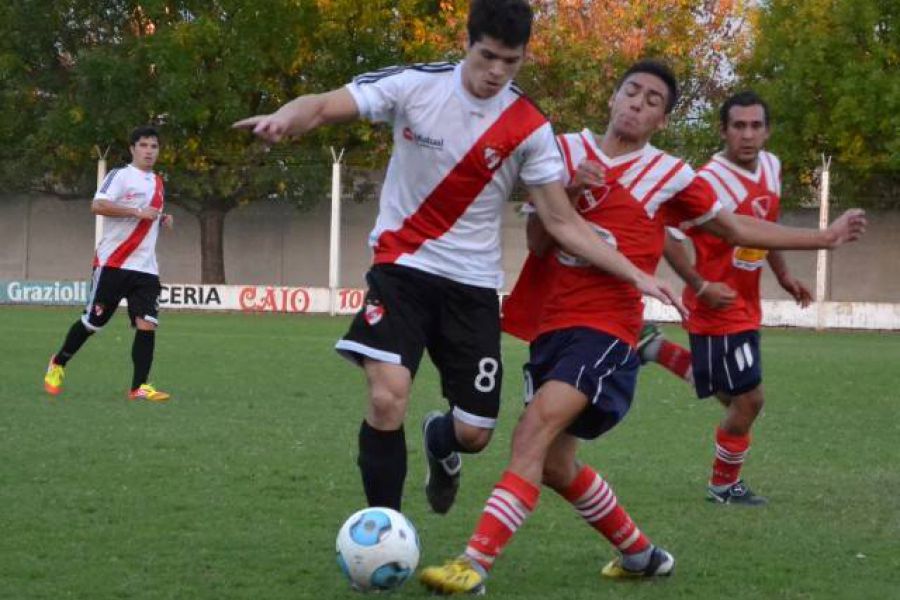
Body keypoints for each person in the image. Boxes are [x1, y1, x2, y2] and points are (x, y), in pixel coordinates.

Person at [418, 64, 866, 594]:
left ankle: (474, 562)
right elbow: (540, 243)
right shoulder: (561, 151)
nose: (637, 103)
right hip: (550, 326)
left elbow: (737, 227)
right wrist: (562, 190)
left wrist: (825, 238)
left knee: (532, 432)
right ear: (612, 96)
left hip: (606, 328)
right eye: (631, 91)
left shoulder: (671, 175)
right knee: (558, 465)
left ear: (662, 118)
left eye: (653, 100)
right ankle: (641, 555)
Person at [233, 0, 681, 514]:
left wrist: (635, 275)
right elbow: (325, 104)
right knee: (387, 396)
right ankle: (384, 528)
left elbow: (560, 222)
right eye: (487, 56)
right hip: (402, 266)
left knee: (475, 432)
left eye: (509, 62)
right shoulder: (414, 85)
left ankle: (441, 442)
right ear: (467, 44)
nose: (496, 72)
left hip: (471, 284)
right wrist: (285, 118)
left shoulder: (529, 126)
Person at [639, 91, 816, 505]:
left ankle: (657, 350)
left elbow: (764, 228)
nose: (748, 134)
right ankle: (723, 486)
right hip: (717, 307)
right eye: (738, 126)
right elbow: (665, 234)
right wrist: (700, 284)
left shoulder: (772, 167)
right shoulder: (706, 181)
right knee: (749, 399)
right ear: (723, 131)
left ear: (767, 130)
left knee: (729, 393)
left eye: (756, 126)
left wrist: (785, 274)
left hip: (746, 304)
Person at [43, 125, 173, 402]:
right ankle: (59, 362)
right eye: (144, 145)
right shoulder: (120, 176)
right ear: (132, 149)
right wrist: (137, 211)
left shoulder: (159, 183)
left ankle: (139, 387)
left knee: (147, 323)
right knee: (92, 323)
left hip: (146, 269)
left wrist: (162, 218)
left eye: (154, 146)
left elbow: (148, 216)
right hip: (113, 264)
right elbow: (98, 206)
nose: (150, 151)